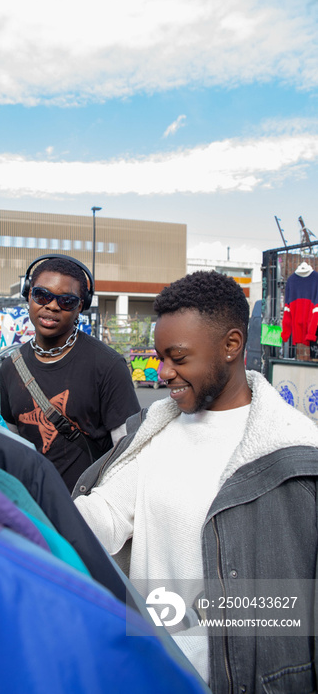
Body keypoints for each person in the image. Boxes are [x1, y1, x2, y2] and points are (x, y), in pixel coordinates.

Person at [73, 270, 318, 693]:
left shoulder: (298, 454)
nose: (162, 371)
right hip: (154, 672)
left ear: (231, 345)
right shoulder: (152, 433)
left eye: (178, 357)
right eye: (159, 356)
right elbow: (102, 517)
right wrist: (15, 501)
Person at [0, 255, 140, 493]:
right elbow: (13, 445)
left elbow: (130, 456)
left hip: (87, 511)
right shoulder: (11, 366)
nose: (52, 306)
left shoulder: (107, 365)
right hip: (34, 509)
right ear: (28, 295)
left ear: (80, 307)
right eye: (42, 295)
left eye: (66, 300)